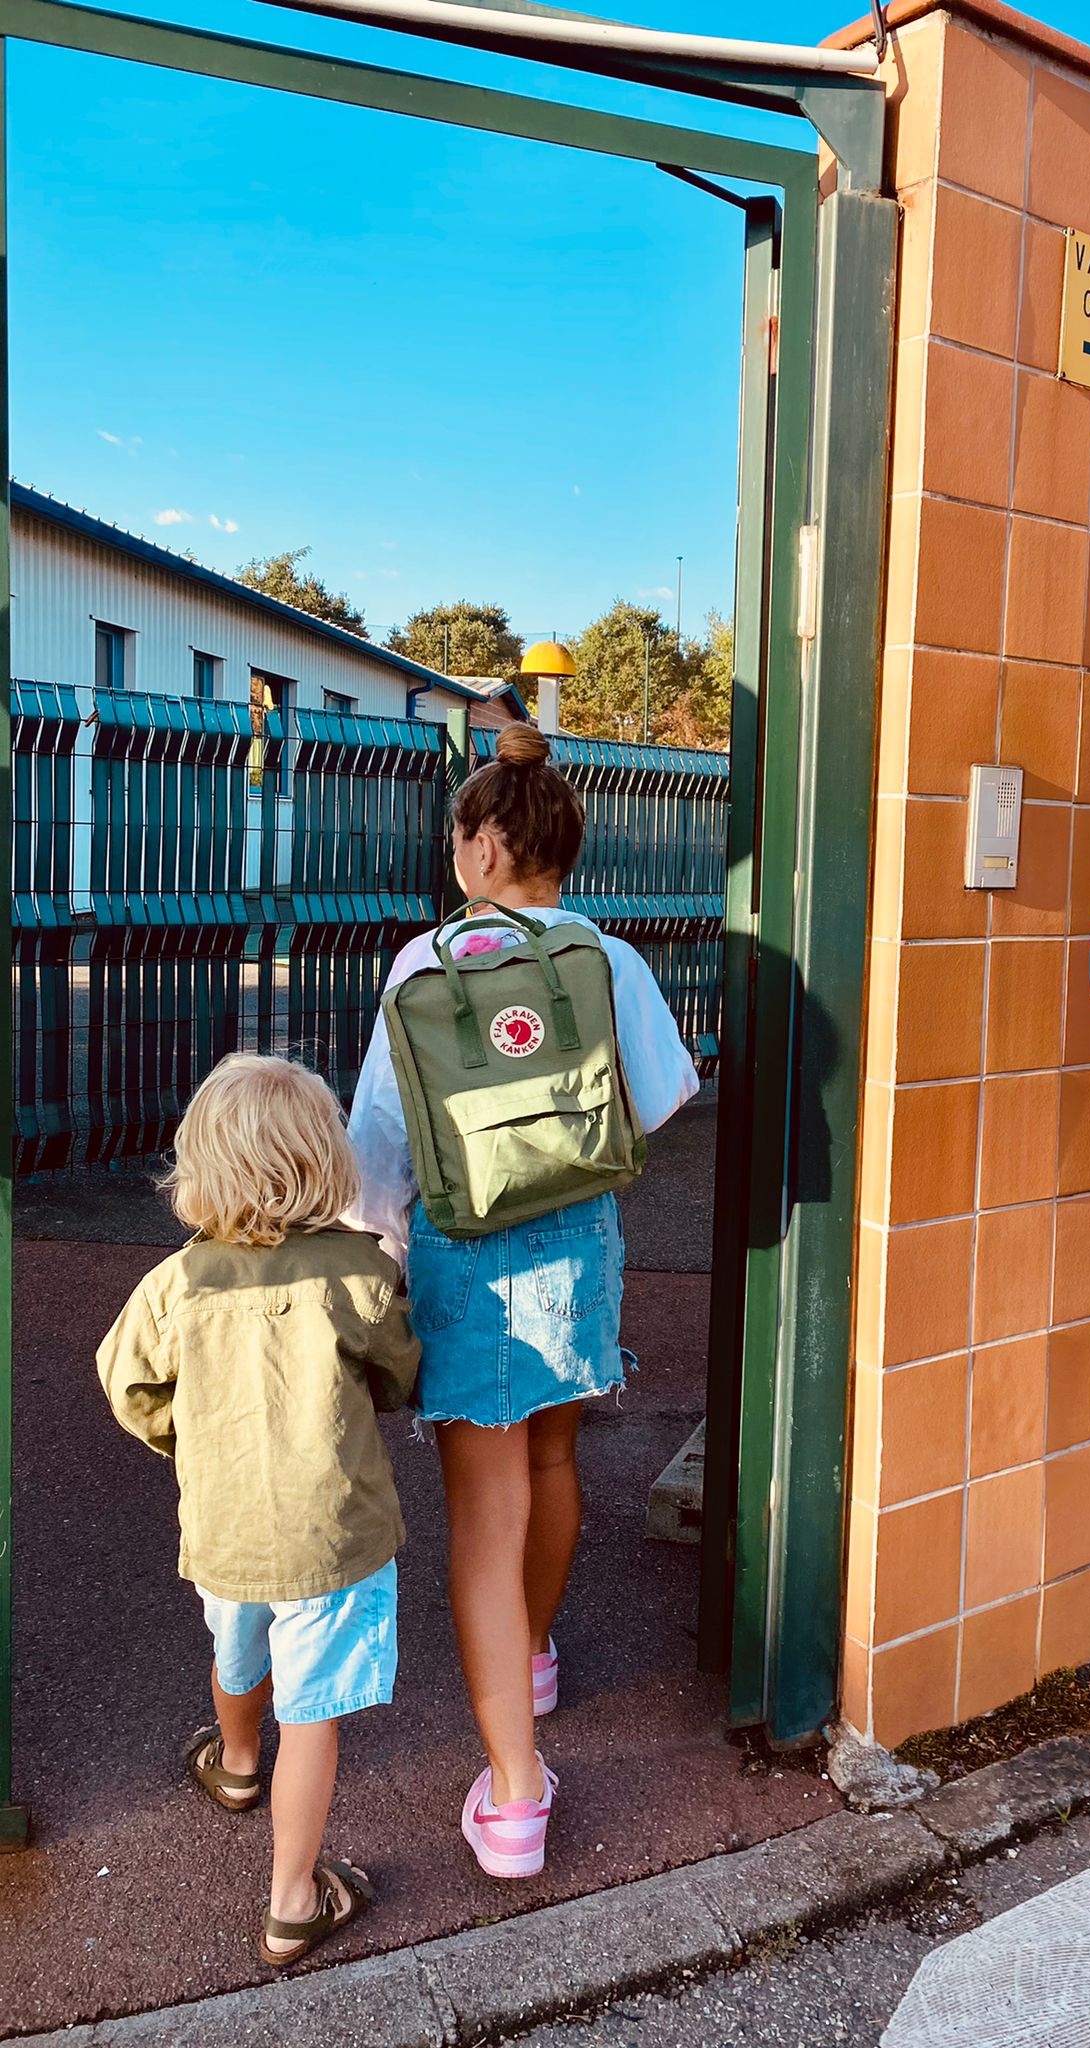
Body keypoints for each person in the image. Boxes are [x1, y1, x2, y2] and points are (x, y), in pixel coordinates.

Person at [347, 723, 697, 1879]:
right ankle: (535, 1652)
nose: (456, 851)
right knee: (554, 1463)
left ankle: (514, 1795)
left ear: (490, 844)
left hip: (471, 1259)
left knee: (482, 1518)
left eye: (461, 832)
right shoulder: (607, 954)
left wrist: (384, 1249)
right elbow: (658, 1098)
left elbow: (378, 1148)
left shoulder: (426, 962)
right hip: (580, 1246)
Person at [96, 1055, 420, 1967]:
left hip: (226, 1523)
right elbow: (398, 1373)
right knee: (312, 1711)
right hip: (334, 1534)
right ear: (327, 1159)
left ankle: (237, 1767)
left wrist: (184, 1440)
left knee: (235, 1652)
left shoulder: (176, 1282)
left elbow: (126, 1383)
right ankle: (291, 1900)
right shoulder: (356, 1271)